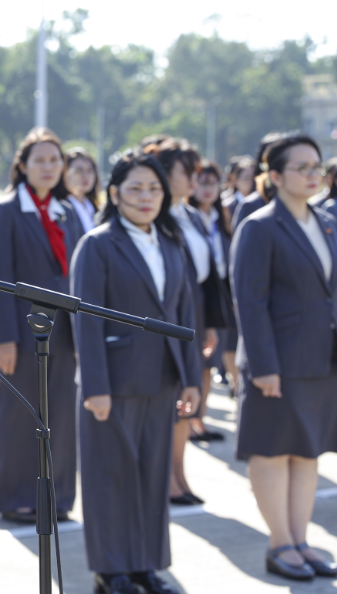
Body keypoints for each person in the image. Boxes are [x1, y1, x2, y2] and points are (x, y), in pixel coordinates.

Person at [72, 152, 201, 594]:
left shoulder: (171, 241)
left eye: (154, 189)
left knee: (150, 474)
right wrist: (95, 387)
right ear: (114, 193)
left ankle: (147, 565)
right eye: (135, 188)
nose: (146, 197)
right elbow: (85, 319)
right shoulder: (98, 243)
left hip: (162, 376)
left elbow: (185, 312)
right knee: (110, 475)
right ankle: (112, 571)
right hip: (113, 380)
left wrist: (192, 377)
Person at [232, 132, 337, 582]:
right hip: (277, 363)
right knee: (274, 452)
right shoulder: (259, 226)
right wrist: (264, 366)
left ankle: (301, 539)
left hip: (320, 360)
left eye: (318, 166)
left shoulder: (327, 221)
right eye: (303, 167)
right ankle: (280, 544)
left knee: (307, 452)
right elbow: (248, 302)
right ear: (274, 176)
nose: (313, 174)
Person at [0, 127, 82, 524]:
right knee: (20, 416)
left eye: (55, 160)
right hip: (23, 333)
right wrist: (5, 337)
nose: (48, 167)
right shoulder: (6, 210)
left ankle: (57, 497)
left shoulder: (68, 210)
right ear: (22, 166)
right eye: (39, 160)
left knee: (61, 414)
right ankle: (15, 496)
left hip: (65, 333)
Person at [145, 138, 225, 506]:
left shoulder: (190, 214)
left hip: (194, 316)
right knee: (172, 400)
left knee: (186, 402)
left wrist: (210, 322)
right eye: (185, 172)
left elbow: (206, 277)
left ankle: (179, 474)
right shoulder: (156, 217)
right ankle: (167, 478)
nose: (193, 180)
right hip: (169, 321)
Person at [189, 161, 239, 400]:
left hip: (220, 290)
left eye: (213, 183)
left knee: (210, 359)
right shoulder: (188, 218)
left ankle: (200, 417)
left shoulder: (221, 218)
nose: (207, 189)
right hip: (197, 291)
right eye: (202, 182)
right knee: (198, 360)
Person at [64, 147, 101, 234]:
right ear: (64, 174)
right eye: (79, 171)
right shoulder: (60, 210)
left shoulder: (95, 209)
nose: (85, 176)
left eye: (90, 171)